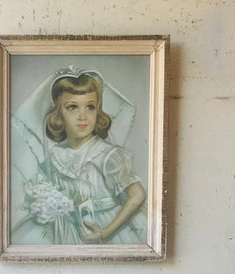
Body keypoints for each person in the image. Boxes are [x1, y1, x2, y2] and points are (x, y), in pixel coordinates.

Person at [12, 67, 147, 245]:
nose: (83, 116)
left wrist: (105, 232)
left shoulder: (107, 155)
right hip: (64, 230)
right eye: (72, 107)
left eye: (90, 107)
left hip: (101, 230)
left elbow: (137, 195)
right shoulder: (55, 154)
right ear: (58, 114)